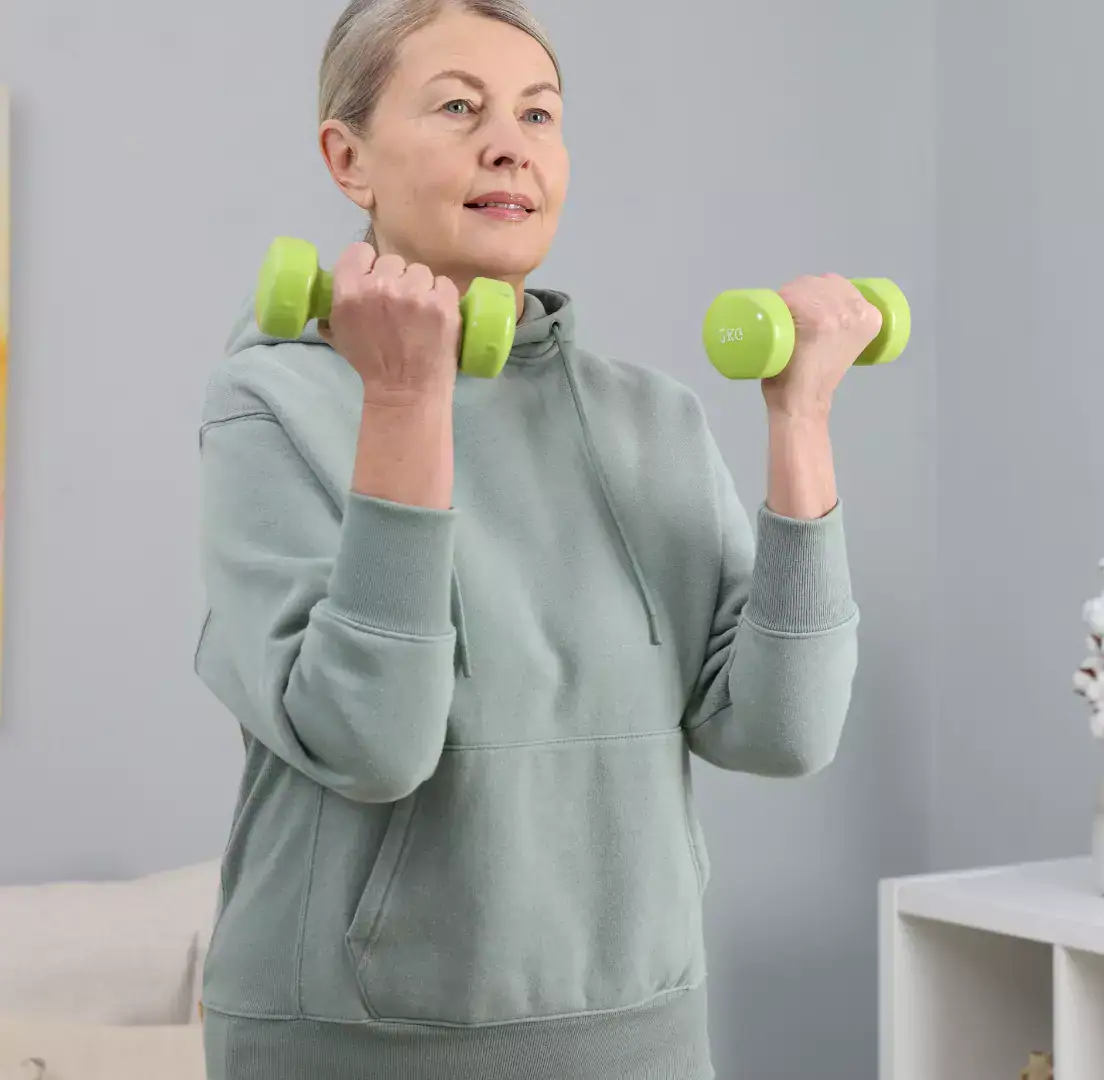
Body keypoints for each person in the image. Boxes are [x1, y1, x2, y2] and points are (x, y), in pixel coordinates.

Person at [192, 2, 868, 1077]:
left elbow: (782, 731)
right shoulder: (269, 406)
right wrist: (408, 400)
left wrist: (801, 420)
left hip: (639, 1040)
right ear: (347, 157)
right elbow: (375, 742)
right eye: (459, 106)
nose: (509, 141)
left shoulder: (656, 419)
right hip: (356, 1048)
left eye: (538, 113)